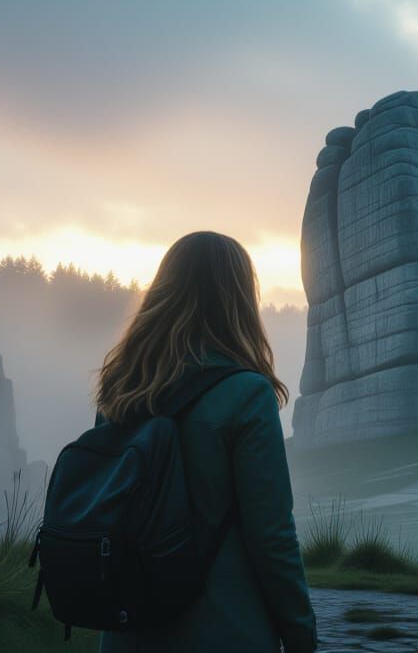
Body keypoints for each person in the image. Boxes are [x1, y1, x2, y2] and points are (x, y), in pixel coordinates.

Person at [95, 231, 317, 653]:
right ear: (238, 300)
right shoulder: (247, 394)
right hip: (223, 629)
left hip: (128, 631)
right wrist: (301, 631)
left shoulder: (122, 391)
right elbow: (271, 536)